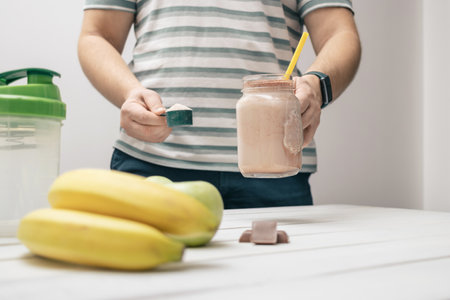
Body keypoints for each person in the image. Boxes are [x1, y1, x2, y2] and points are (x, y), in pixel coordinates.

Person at [78, 0, 361, 209]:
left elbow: (340, 33)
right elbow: (96, 35)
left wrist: (315, 85)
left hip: (276, 166)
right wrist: (130, 92)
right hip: (151, 161)